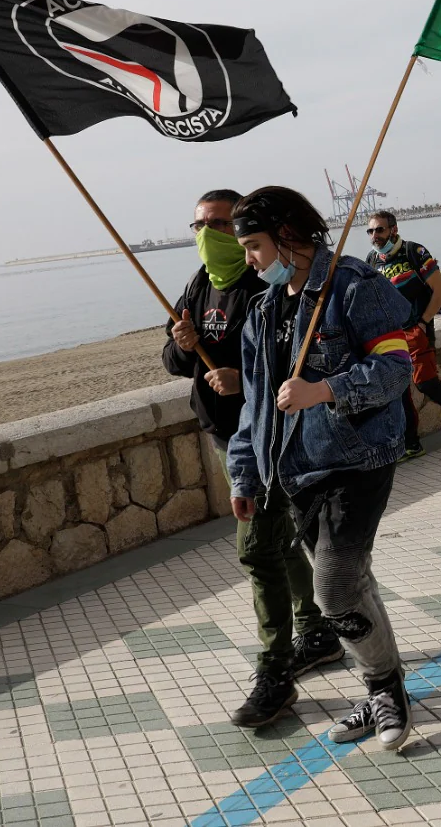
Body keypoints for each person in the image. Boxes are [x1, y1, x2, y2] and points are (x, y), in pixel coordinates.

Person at [228, 187, 415, 752]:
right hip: (294, 475)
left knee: (333, 589)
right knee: (354, 582)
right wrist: (245, 473)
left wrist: (324, 390)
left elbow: (396, 368)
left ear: (288, 235)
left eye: (255, 246)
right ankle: (386, 683)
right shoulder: (262, 310)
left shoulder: (355, 287)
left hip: (355, 464)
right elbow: (255, 406)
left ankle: (385, 690)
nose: (249, 260)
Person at [164, 189, 341, 728]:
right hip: (233, 439)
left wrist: (245, 381)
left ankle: (312, 641)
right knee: (265, 546)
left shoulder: (263, 286)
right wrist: (182, 341)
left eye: (217, 224)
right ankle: (296, 648)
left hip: (285, 440)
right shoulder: (199, 286)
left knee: (302, 558)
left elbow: (289, 366)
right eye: (198, 225)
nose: (207, 236)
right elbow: (175, 362)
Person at [365, 211, 441, 456]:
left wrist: (424, 322)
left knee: (424, 382)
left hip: (417, 329)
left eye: (380, 230)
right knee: (400, 389)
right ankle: (411, 443)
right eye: (371, 231)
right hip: (390, 336)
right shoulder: (372, 260)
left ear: (393, 229)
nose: (375, 236)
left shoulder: (414, 252)